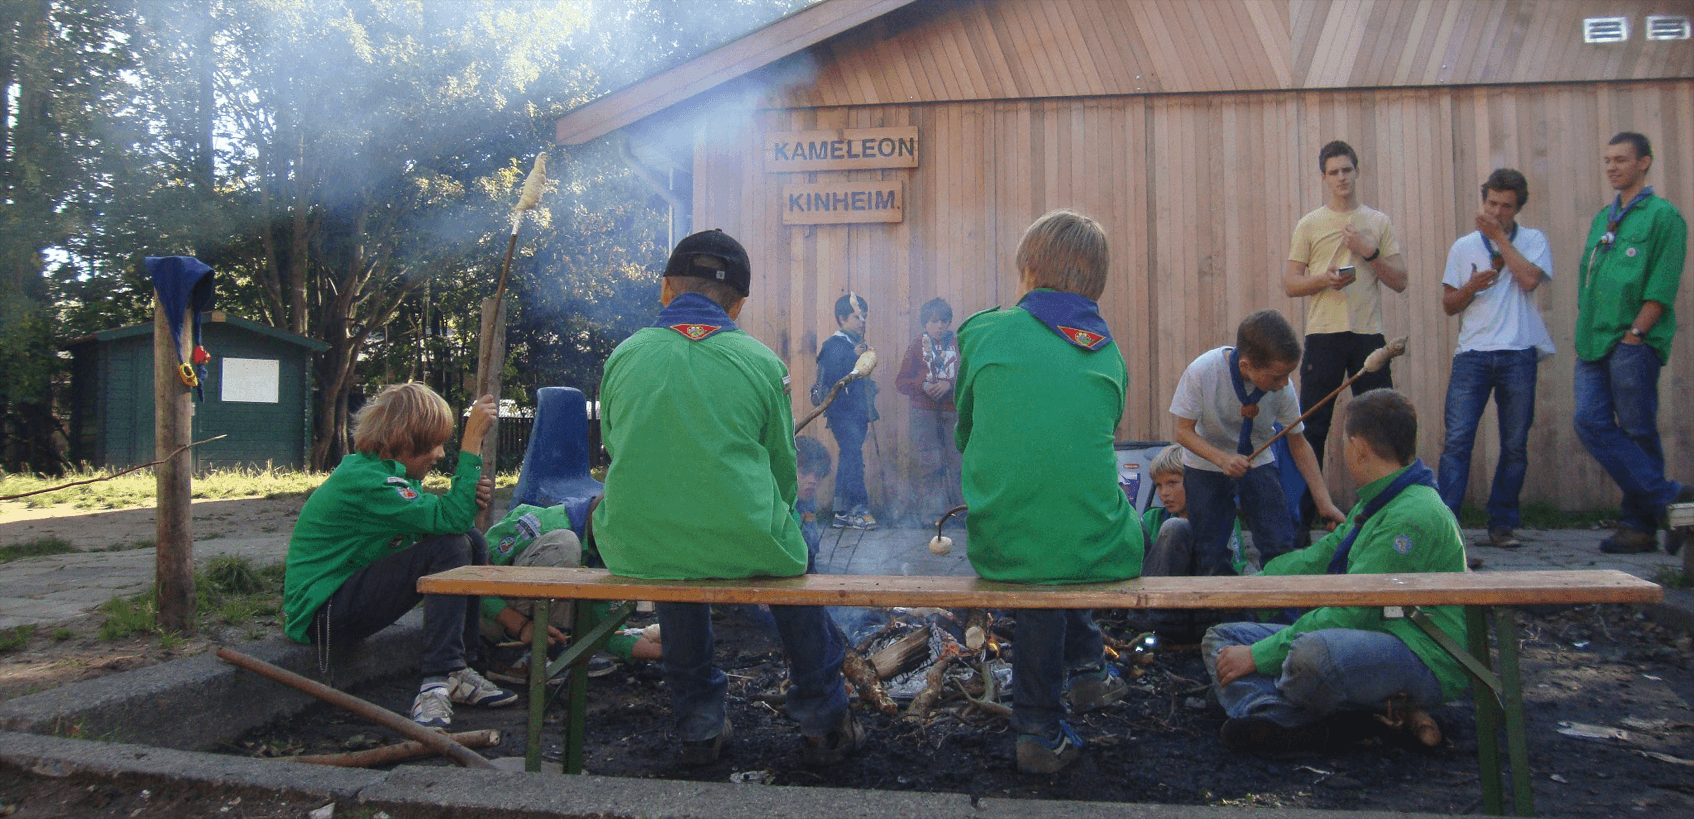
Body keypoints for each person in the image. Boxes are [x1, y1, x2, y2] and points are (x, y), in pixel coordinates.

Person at [591, 228, 861, 767]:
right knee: (798, 555)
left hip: (636, 545)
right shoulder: (761, 363)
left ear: (667, 289)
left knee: (674, 566)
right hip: (745, 541)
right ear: (738, 305)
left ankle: (699, 726)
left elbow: (616, 447)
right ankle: (822, 719)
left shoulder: (624, 356)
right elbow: (784, 473)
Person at [955, 209, 1144, 774]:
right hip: (1096, 544)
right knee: (1075, 525)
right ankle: (1086, 670)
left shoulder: (982, 332)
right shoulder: (1110, 356)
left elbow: (964, 435)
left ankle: (1037, 726)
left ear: (1030, 272)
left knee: (1041, 538)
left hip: (1004, 543)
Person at [1203, 389, 1469, 752]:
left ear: (1358, 446)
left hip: (1420, 650)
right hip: (1376, 630)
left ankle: (1270, 707)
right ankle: (1283, 718)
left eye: (1343, 441)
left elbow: (1353, 612)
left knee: (1312, 654)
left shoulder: (1409, 517)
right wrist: (1253, 586)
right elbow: (1320, 557)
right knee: (1220, 640)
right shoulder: (1379, 500)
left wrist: (1258, 656)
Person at [283, 383, 517, 731]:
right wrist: (471, 446)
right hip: (323, 614)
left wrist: (466, 497)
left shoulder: (385, 476)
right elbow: (446, 521)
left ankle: (459, 669)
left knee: (470, 540)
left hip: (343, 599)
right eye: (434, 445)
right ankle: (436, 680)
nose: (439, 454)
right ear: (405, 441)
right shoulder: (368, 483)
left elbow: (450, 520)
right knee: (450, 545)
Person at [1574, 132, 1690, 554]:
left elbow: (1662, 284)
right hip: (1592, 342)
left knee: (1639, 430)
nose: (1612, 167)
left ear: (1644, 162)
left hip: (1632, 341)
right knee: (1589, 422)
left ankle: (1639, 528)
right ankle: (1672, 499)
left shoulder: (1664, 217)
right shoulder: (1604, 217)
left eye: (1621, 159)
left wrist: (1636, 334)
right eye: (1607, 160)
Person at [1284, 140, 1408, 532]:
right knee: (1312, 427)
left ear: (1357, 172)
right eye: (1334, 172)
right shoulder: (1310, 223)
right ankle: (1302, 520)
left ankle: (1381, 516)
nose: (1341, 178)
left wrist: (1369, 253)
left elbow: (1401, 281)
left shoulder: (1377, 221)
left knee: (1378, 427)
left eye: (1347, 170)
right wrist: (1323, 279)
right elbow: (1289, 283)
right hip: (1323, 335)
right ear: (1324, 177)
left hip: (1368, 336)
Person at [1171, 310, 1344, 579]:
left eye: (1288, 375)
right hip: (1205, 464)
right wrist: (1222, 459)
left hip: (1258, 461)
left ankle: (1279, 618)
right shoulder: (1202, 372)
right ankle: (1222, 618)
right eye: (1277, 376)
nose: (1285, 383)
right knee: (1211, 554)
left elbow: (1299, 444)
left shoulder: (1281, 388)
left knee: (1279, 546)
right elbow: (1182, 432)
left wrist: (1324, 503)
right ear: (1245, 366)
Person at [1436, 169, 1556, 550]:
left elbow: (1530, 280)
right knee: (1457, 442)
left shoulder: (1533, 240)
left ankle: (1502, 524)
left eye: (1506, 206)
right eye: (1491, 203)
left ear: (1518, 208)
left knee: (1515, 443)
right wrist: (1471, 286)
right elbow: (1448, 305)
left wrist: (1501, 238)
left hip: (1518, 352)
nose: (1497, 211)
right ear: (1483, 200)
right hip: (1472, 354)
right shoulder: (1463, 246)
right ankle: (1446, 527)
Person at [477, 500, 660, 684]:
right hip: (478, 623)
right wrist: (521, 626)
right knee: (566, 546)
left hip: (524, 630)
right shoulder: (542, 523)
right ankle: (512, 655)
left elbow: (608, 630)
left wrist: (672, 650)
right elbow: (474, 581)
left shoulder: (601, 548)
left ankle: (552, 654)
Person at [1139, 443, 1247, 643]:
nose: (1164, 492)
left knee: (1176, 528)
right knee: (1134, 526)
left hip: (1202, 614)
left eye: (1172, 483)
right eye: (1159, 485)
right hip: (1152, 611)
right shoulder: (1152, 519)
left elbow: (1237, 571)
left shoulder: (1222, 520)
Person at [894, 297, 963, 523]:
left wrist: (949, 384)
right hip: (923, 413)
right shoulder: (916, 346)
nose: (939, 326)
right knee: (930, 463)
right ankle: (934, 515)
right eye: (934, 321)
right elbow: (901, 382)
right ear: (925, 323)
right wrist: (923, 385)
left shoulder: (957, 344)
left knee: (957, 461)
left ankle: (961, 513)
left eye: (944, 321)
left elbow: (967, 376)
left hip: (952, 412)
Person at [818, 291, 878, 530]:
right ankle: (857, 508)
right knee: (853, 456)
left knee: (849, 457)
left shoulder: (856, 344)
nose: (862, 321)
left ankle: (841, 511)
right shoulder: (834, 344)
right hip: (842, 413)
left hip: (858, 412)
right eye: (856, 316)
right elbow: (833, 375)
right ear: (842, 319)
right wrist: (853, 357)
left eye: (864, 316)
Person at [794, 435, 833, 571]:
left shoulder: (808, 506)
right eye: (804, 472)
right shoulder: (782, 509)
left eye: (817, 475)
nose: (812, 480)